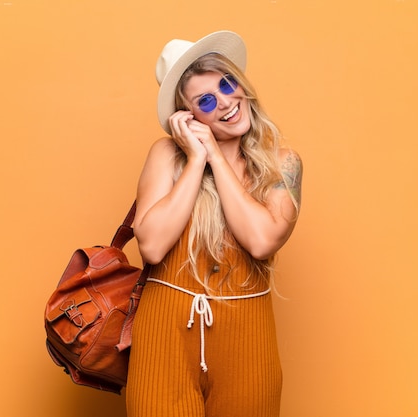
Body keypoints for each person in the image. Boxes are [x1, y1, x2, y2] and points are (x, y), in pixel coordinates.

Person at [126, 30, 302, 417]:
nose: (226, 102)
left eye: (227, 84)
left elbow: (261, 241)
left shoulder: (282, 163)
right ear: (189, 116)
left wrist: (217, 158)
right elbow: (152, 246)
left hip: (247, 337)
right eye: (206, 100)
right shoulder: (167, 156)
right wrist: (194, 159)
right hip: (165, 334)